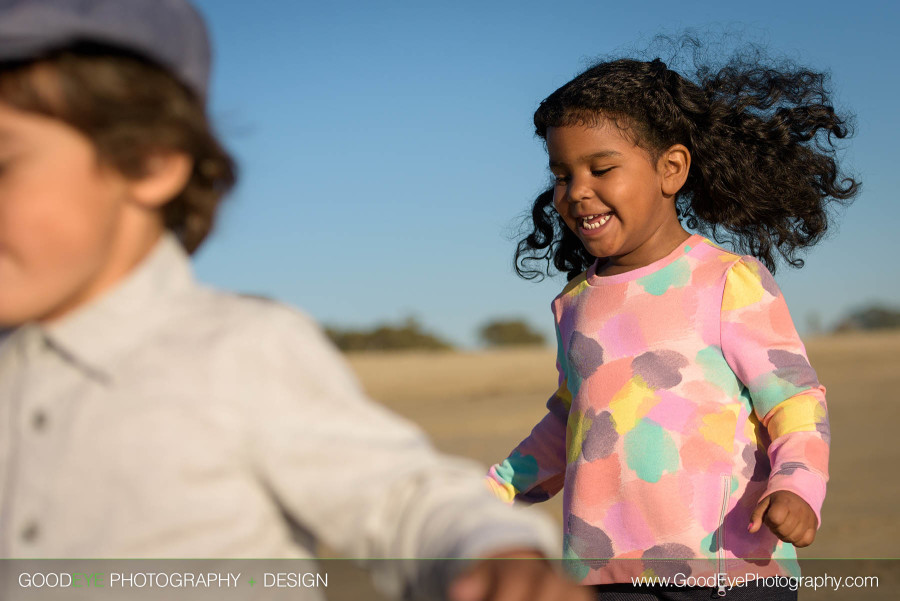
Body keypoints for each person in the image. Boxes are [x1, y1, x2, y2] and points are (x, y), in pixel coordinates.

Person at [0, 2, 594, 600]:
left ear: (147, 162)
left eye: (5, 161)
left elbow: (398, 495)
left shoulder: (235, 350)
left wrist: (492, 554)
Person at [486, 50, 858, 600]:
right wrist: (497, 488)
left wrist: (798, 486)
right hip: (605, 577)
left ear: (671, 169)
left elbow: (795, 402)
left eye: (601, 168)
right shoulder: (575, 304)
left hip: (730, 570)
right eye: (562, 175)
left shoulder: (727, 281)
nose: (577, 190)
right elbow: (573, 420)